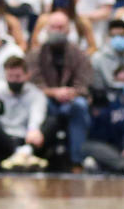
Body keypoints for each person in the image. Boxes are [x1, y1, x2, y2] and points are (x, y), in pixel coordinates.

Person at [29, 11, 92, 168]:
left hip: (71, 99)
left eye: (61, 27)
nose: (57, 30)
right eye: (53, 27)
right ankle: (38, 155)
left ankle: (77, 160)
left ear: (68, 30)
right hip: (45, 98)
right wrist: (54, 93)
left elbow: (84, 81)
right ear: (46, 29)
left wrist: (71, 92)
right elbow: (33, 83)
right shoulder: (36, 54)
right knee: (40, 106)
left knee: (80, 106)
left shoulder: (78, 53)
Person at [0, 55, 48, 171]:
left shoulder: (36, 94)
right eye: (10, 76)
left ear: (27, 75)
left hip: (26, 137)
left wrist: (33, 129)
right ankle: (20, 154)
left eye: (17, 76)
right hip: (4, 140)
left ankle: (24, 152)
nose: (13, 80)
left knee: (52, 121)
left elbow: (37, 114)